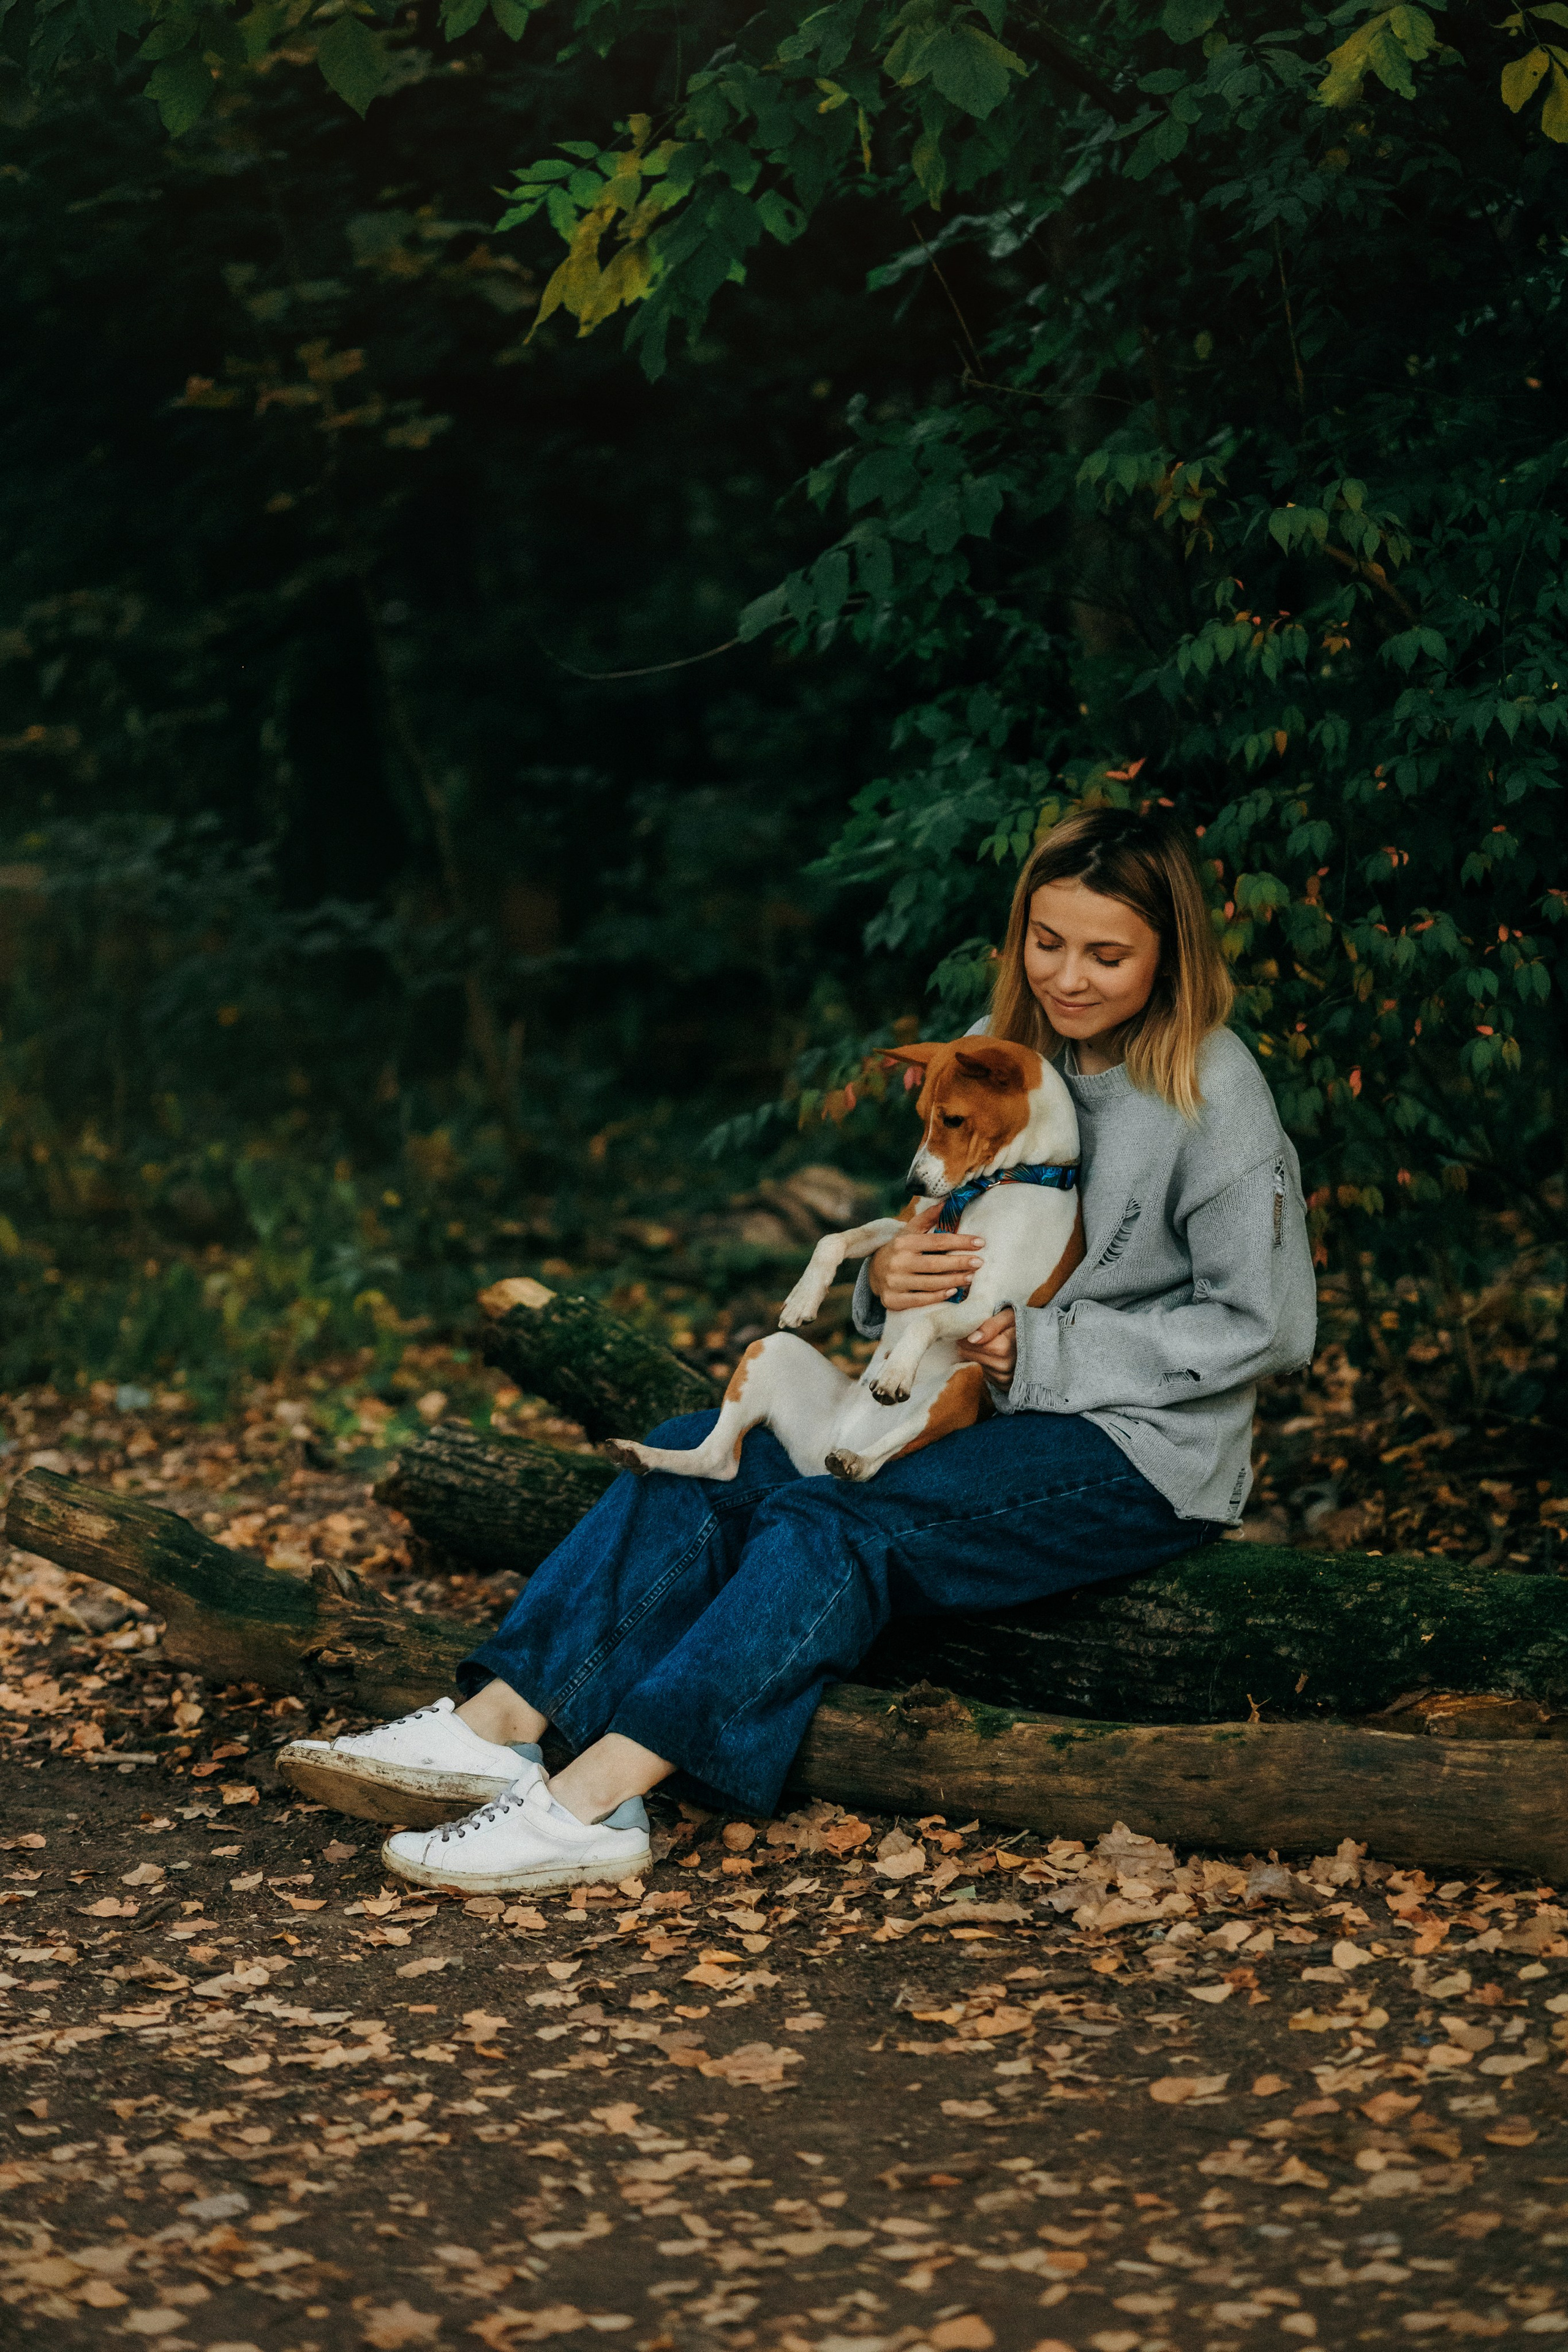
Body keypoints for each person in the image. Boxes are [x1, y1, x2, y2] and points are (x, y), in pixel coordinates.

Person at [282, 804, 1317, 1894]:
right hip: (969, 1403)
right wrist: (884, 1283)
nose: (1068, 977)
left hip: (1137, 1453)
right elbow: (940, 1251)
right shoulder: (998, 1055)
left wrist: (1051, 1349)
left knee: (836, 1516)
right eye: (1045, 944)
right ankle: (498, 1724)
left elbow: (1271, 1324)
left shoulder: (1214, 1090)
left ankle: (593, 1803)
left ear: (1171, 954)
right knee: (703, 1451)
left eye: (1108, 955)